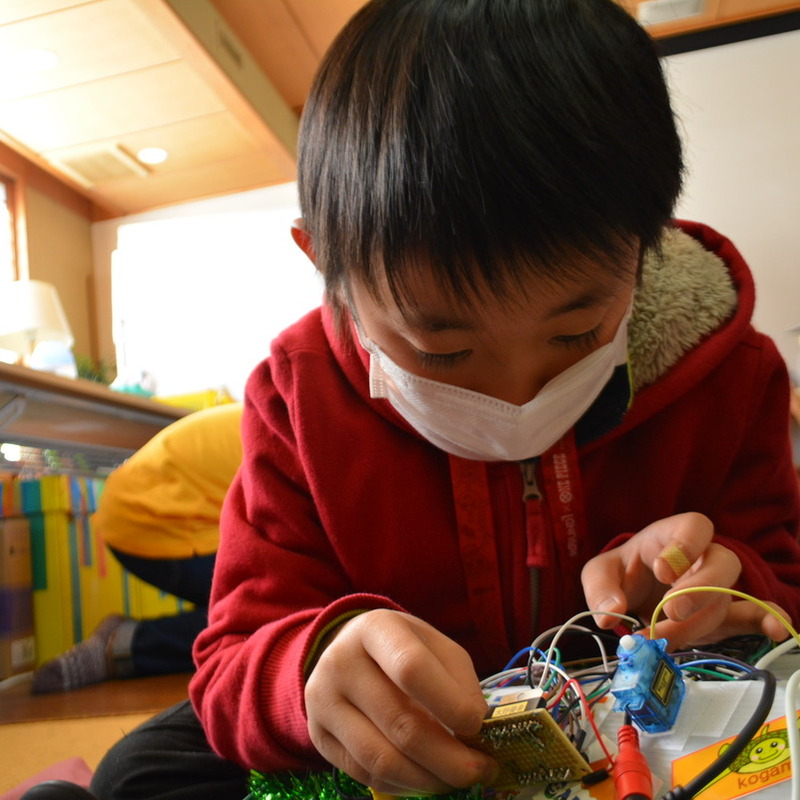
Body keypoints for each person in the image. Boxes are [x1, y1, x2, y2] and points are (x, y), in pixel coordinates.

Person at [82, 1, 800, 799]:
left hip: (623, 728)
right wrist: (316, 666)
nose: (518, 396)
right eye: (442, 350)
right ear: (327, 264)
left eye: (576, 332)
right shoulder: (297, 396)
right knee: (139, 773)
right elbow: (233, 660)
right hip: (413, 742)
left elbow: (784, 582)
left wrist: (725, 587)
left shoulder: (732, 375)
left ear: (646, 245)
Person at [31, 402, 243, 693]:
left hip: (142, 508)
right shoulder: (291, 428)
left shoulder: (284, 413)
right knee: (277, 612)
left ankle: (131, 643)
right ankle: (127, 646)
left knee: (271, 609)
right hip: (152, 516)